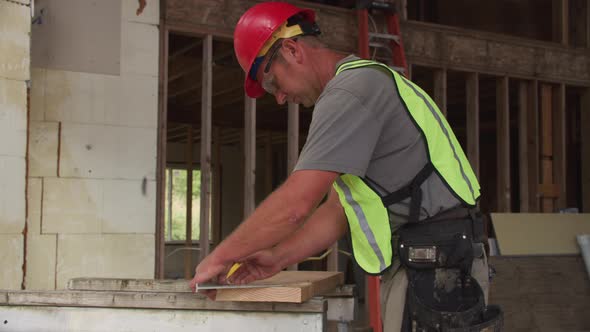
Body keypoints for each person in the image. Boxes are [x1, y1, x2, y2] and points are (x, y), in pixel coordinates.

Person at [190, 2, 502, 331]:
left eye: (272, 83)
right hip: (436, 259)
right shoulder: (362, 85)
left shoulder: (350, 91)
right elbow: (339, 210)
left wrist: (219, 257)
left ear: (292, 50)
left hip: (435, 265)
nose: (279, 98)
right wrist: (278, 257)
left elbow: (295, 206)